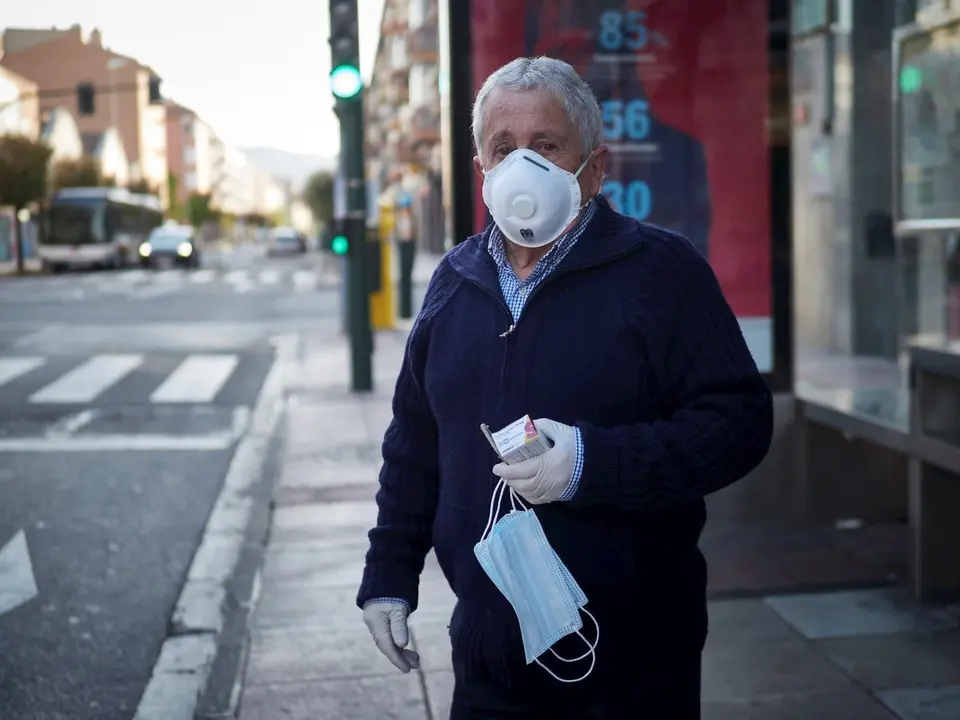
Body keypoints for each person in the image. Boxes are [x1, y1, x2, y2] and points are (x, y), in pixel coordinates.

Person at [357, 56, 773, 719]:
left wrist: (589, 464)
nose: (524, 165)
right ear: (483, 173)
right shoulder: (452, 283)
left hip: (633, 665)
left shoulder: (662, 273)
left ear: (596, 167)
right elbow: (415, 441)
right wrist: (388, 576)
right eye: (504, 148)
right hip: (489, 659)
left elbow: (740, 423)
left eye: (545, 146)